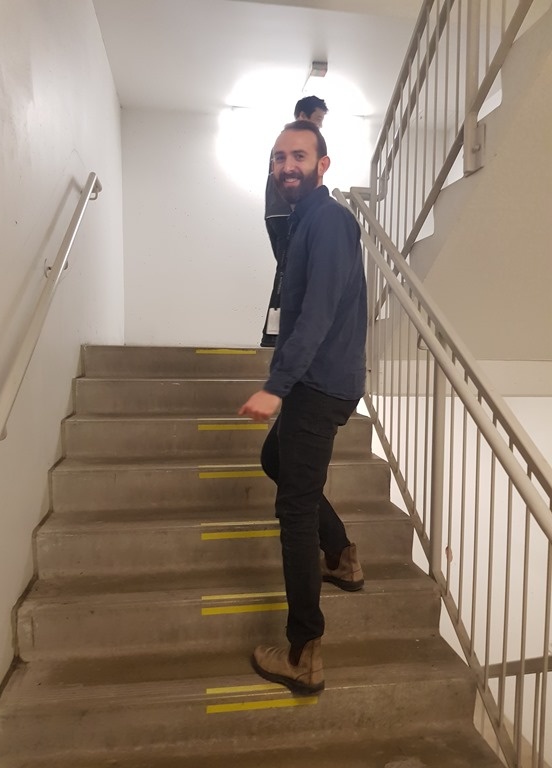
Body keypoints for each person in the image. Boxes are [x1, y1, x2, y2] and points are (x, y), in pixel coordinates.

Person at [239, 121, 367, 695]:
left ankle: (303, 652)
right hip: (317, 382)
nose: (286, 166)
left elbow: (317, 312)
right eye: (278, 158)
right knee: (275, 460)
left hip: (317, 384)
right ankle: (339, 555)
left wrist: (278, 385)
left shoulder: (329, 220)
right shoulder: (305, 222)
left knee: (293, 509)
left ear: (322, 164)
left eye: (298, 155)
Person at [261, 96, 329, 348]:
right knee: (289, 271)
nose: (320, 124)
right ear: (302, 116)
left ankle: (276, 334)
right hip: (286, 214)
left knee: (288, 269)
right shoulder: (292, 144)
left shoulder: (284, 143)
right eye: (318, 118)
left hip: (277, 214)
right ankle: (274, 335)